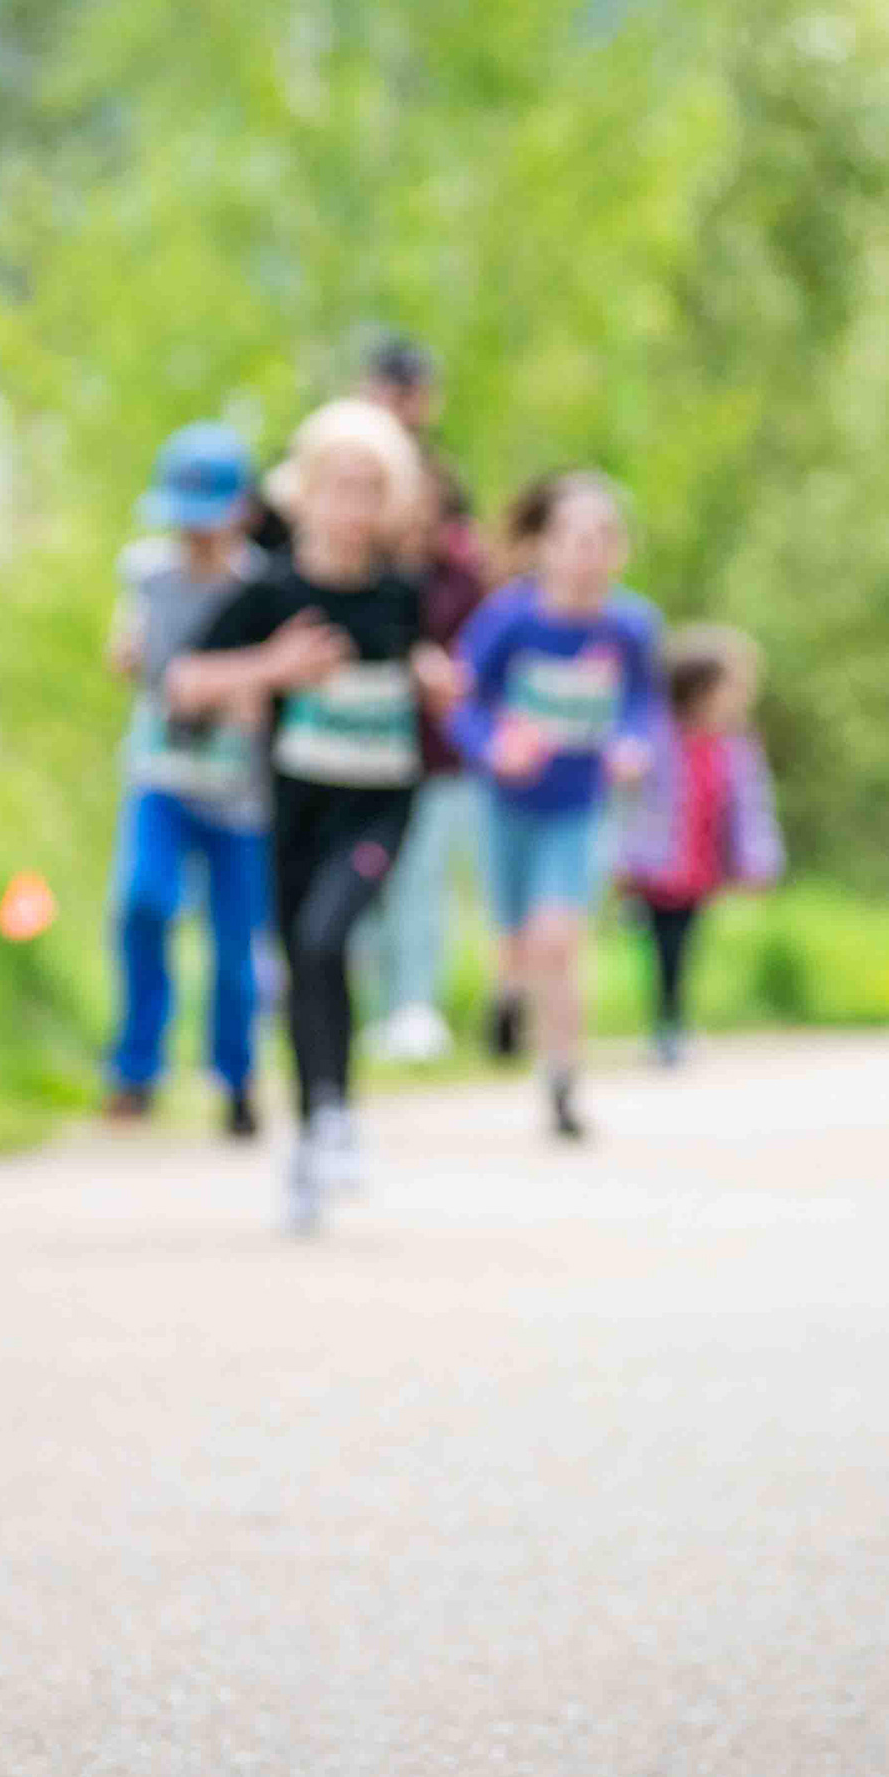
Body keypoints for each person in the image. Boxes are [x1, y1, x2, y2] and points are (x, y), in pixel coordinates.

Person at [173, 399, 459, 1234]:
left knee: (330, 936)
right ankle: (313, 1134)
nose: (353, 504)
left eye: (372, 487)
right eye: (339, 484)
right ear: (305, 491)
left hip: (379, 807)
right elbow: (184, 683)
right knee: (303, 957)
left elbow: (429, 667)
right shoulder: (272, 591)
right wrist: (272, 667)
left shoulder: (403, 592)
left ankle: (335, 1117)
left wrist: (434, 680)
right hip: (294, 807)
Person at [451, 471, 665, 1142]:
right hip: (508, 804)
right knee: (514, 938)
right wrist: (494, 747)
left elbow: (643, 704)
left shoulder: (630, 626)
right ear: (542, 545)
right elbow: (462, 703)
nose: (588, 552)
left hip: (579, 807)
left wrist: (633, 744)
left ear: (621, 550)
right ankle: (506, 997)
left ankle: (562, 1079)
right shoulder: (509, 619)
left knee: (560, 940)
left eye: (604, 537)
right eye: (574, 537)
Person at [102, 423, 269, 1135]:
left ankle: (236, 1077)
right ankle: (135, 1067)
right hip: (162, 774)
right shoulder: (147, 571)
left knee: (236, 942)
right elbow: (130, 650)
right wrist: (130, 654)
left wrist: (232, 689)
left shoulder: (263, 586)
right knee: (143, 902)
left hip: (240, 792)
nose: (194, 536)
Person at [349, 335, 493, 1064]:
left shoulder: (460, 566)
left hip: (432, 747)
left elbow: (482, 645)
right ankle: (363, 1004)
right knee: (361, 880)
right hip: (357, 736)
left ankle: (414, 1005)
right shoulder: (348, 539)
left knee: (419, 878)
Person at [618, 628, 785, 1066]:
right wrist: (622, 859)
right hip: (656, 864)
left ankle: (672, 1021)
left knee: (685, 944)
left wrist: (758, 862)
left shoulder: (736, 745)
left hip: (700, 865)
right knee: (664, 945)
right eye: (734, 686)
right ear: (700, 688)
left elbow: (750, 808)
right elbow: (628, 805)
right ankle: (667, 1024)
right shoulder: (655, 737)